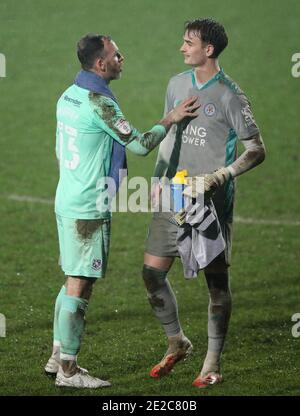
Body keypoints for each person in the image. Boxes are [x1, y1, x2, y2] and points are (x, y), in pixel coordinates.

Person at [44, 33, 199, 389]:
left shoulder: (69, 95)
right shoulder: (100, 103)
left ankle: (57, 355)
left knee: (72, 277)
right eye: (116, 55)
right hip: (87, 206)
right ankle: (68, 370)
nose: (122, 58)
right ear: (101, 64)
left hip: (67, 195)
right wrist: (171, 117)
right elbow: (142, 145)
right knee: (81, 283)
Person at [142, 18, 266, 388]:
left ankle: (211, 364)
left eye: (188, 43)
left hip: (210, 203)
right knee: (152, 274)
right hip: (174, 194)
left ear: (207, 50)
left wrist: (220, 177)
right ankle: (177, 341)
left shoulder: (230, 95)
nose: (182, 48)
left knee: (215, 284)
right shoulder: (176, 85)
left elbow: (257, 150)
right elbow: (170, 135)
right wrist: (157, 177)